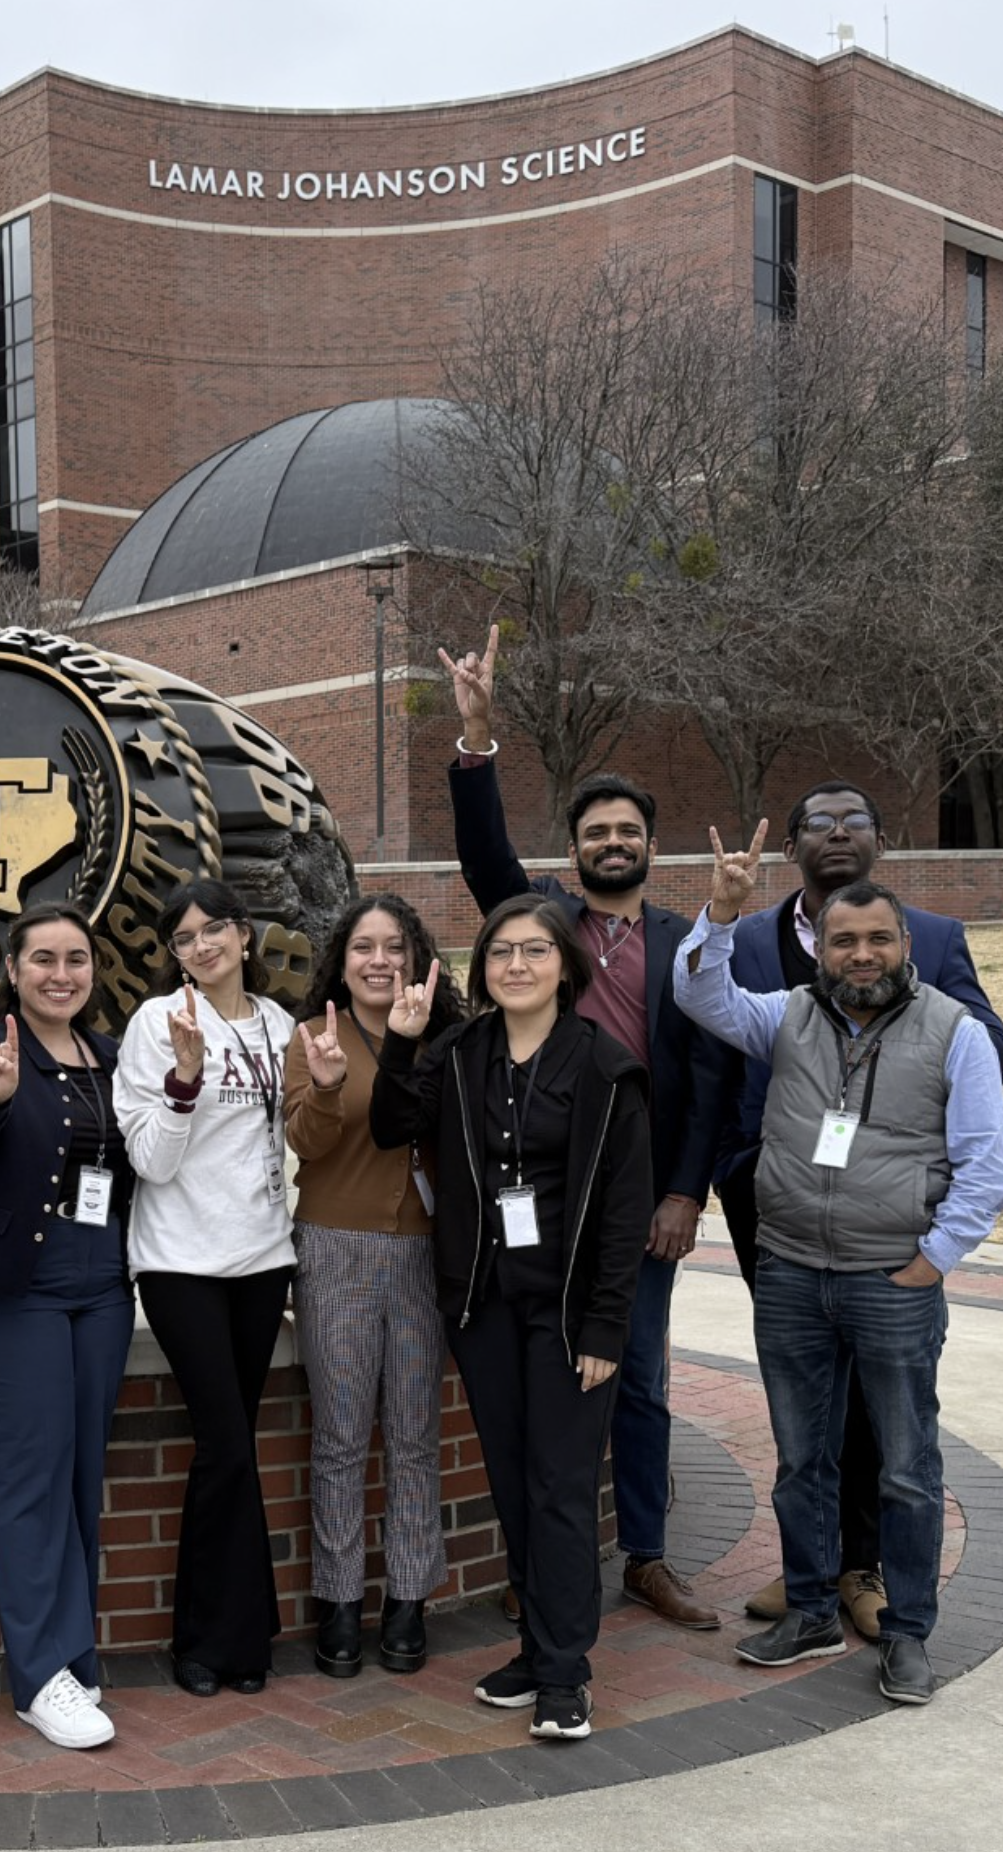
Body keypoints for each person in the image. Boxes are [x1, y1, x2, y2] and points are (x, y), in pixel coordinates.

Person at [675, 828, 1003, 1709]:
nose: (860, 955)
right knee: (802, 1458)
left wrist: (931, 1260)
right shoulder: (785, 1016)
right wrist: (720, 910)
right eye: (842, 941)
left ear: (907, 946)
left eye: (878, 940)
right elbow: (699, 992)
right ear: (817, 949)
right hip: (791, 1273)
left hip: (890, 1282)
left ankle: (907, 1633)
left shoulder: (956, 1034)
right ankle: (814, 1606)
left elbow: (990, 1167)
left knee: (906, 1465)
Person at [437, 625, 734, 1630]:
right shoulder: (546, 924)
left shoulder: (684, 942)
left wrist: (684, 1191)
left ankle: (643, 1551)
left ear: (649, 845)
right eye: (595, 830)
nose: (613, 841)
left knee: (639, 1373)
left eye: (627, 830)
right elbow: (483, 854)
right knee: (540, 1389)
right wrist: (477, 736)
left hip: (631, 1202)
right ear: (573, 850)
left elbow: (706, 1074)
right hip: (535, 1190)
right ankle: (548, 1566)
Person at [370, 895, 650, 1743]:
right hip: (485, 1305)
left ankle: (566, 1674)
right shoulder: (461, 1053)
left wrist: (607, 1325)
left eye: (534, 951)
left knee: (561, 1488)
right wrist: (400, 1040)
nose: (517, 966)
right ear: (481, 970)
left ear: (566, 965)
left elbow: (626, 1209)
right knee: (512, 1482)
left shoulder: (605, 1067)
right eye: (500, 953)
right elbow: (391, 1126)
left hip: (566, 1315)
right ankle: (537, 1646)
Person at [0, 904, 134, 1749]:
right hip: (10, 1293)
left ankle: (74, 1658)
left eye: (77, 959)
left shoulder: (115, 1055)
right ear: (12, 970)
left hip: (100, 1291)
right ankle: (37, 1675)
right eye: (43, 958)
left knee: (83, 1473)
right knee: (32, 1476)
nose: (62, 973)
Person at [114, 878, 297, 1697]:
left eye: (213, 929)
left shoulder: (282, 1025)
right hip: (181, 1260)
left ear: (245, 935)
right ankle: (213, 1639)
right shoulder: (158, 1023)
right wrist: (185, 1077)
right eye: (183, 938)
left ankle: (242, 1633)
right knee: (224, 1444)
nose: (200, 946)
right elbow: (150, 1159)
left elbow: (284, 1140)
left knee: (235, 1447)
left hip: (262, 1257)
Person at [283, 893, 458, 1678]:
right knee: (344, 1437)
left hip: (424, 1254)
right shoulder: (312, 1036)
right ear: (341, 959)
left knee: (415, 1433)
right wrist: (322, 1087)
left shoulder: (447, 1039)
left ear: (416, 957)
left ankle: (409, 1598)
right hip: (335, 1249)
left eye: (394, 946)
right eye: (363, 947)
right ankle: (342, 1600)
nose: (379, 960)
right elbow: (306, 1144)